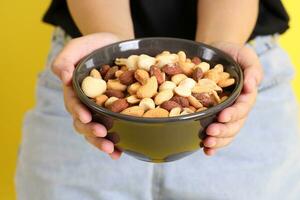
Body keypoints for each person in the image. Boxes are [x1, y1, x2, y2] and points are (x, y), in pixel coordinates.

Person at [16, 0, 300, 199]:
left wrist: (215, 57)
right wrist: (113, 51)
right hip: (88, 75)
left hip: (238, 90)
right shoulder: (113, 77)